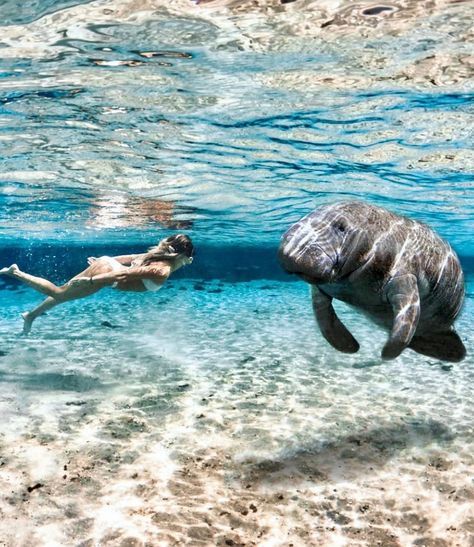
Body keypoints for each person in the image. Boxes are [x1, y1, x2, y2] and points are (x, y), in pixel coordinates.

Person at [0, 234, 194, 334]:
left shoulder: (155, 256)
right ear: (181, 256)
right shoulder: (162, 270)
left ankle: (31, 316)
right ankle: (16, 272)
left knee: (64, 295)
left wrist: (102, 260)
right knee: (59, 293)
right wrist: (92, 279)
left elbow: (129, 258)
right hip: (107, 273)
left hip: (107, 265)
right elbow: (124, 275)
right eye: (187, 259)